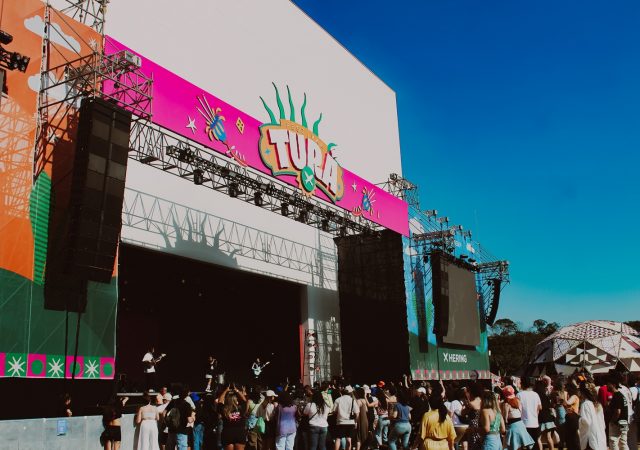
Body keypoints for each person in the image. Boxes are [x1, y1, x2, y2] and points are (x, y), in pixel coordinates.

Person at [502, 385, 535, 450]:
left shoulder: (506, 404)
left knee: (513, 446)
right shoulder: (518, 401)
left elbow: (505, 418)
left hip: (512, 426)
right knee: (521, 446)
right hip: (521, 425)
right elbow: (521, 412)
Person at [219, 383, 250, 450]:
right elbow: (244, 400)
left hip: (227, 434)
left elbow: (220, 401)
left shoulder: (224, 409)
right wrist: (237, 390)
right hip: (240, 433)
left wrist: (226, 391)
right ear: (236, 400)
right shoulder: (241, 408)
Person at [578, 382, 606, 450]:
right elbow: (603, 423)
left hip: (589, 440)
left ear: (583, 393)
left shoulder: (585, 404)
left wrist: (579, 422)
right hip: (599, 437)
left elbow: (586, 422)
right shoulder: (598, 405)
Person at [165, 386, 195, 450]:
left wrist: (167, 421)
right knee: (182, 447)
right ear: (186, 394)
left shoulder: (173, 402)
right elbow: (189, 420)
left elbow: (164, 412)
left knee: (170, 447)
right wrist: (193, 417)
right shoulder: (187, 405)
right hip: (182, 430)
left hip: (171, 429)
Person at [517, 377, 542, 449]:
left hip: (524, 423)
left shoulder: (519, 395)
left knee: (524, 446)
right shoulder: (535, 394)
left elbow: (518, 409)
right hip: (535, 423)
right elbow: (540, 407)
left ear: (523, 384)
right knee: (534, 445)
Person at [607, 373, 630, 450]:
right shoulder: (621, 395)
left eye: (608, 384)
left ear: (613, 385)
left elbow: (618, 412)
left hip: (617, 423)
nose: (607, 385)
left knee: (613, 441)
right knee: (623, 442)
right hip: (624, 422)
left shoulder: (616, 396)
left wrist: (612, 421)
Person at [332, 386, 359, 450]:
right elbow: (357, 413)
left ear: (342, 393)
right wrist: (355, 421)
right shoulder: (352, 400)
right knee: (349, 439)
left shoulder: (338, 400)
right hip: (350, 422)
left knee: (338, 439)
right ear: (349, 393)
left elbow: (334, 411)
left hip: (340, 422)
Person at [534, 380, 556, 450]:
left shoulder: (536, 395)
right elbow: (550, 406)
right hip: (548, 417)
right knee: (549, 437)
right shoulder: (545, 395)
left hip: (540, 418)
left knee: (538, 438)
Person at [565, 382, 581, 450]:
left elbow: (567, 403)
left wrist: (565, 395)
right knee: (572, 435)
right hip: (572, 417)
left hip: (573, 417)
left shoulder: (574, 396)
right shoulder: (574, 396)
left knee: (573, 435)